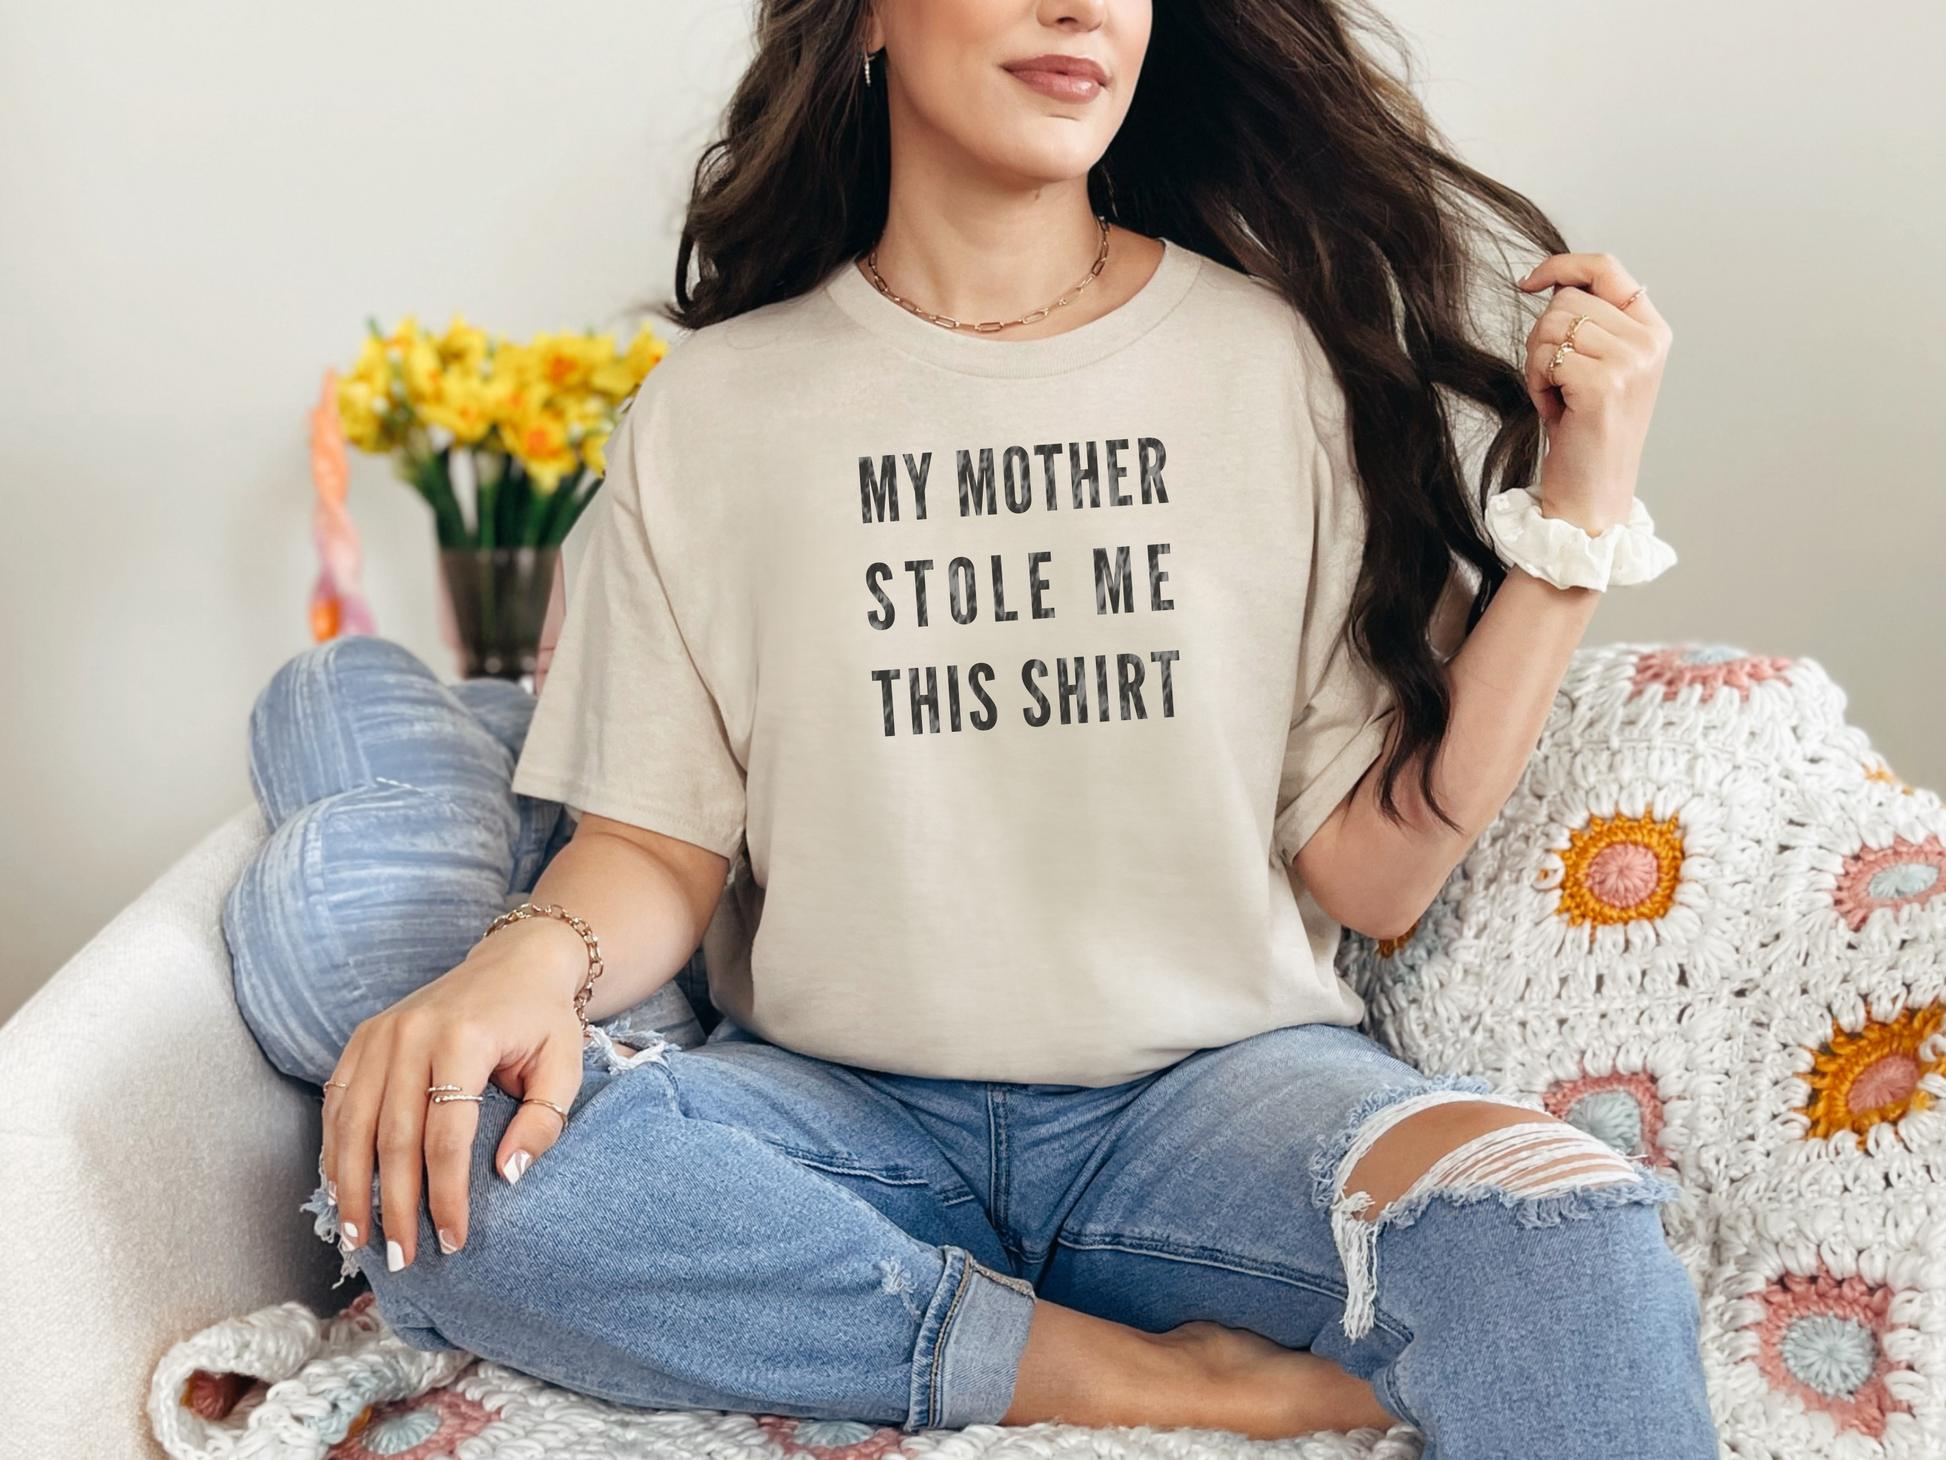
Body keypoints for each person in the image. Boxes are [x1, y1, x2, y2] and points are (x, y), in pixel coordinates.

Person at [227, 1, 1716, 1453]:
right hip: (839, 1128)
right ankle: (1139, 1381)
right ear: (862, 22)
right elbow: (657, 844)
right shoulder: (714, 413)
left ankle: (982, 1343)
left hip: (1217, 1111)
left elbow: (1374, 874)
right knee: (445, 1178)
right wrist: (518, 965)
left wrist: (1574, 519)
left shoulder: (1270, 365)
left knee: (1558, 1230)